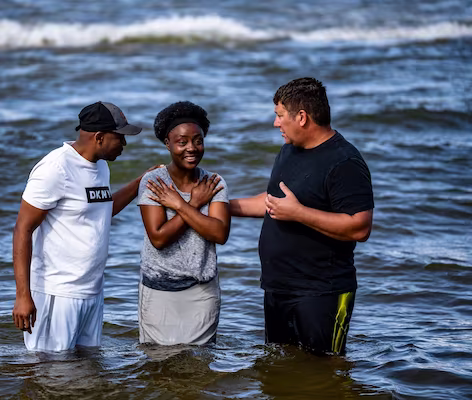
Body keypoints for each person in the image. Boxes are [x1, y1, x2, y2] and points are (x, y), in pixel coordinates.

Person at [230, 78, 374, 355]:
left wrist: (298, 213)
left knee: (326, 374)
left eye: (279, 116)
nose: (276, 124)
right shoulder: (289, 151)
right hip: (277, 287)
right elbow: (272, 202)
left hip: (322, 292)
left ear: (302, 117)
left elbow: (359, 227)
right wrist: (220, 206)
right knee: (280, 370)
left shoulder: (345, 162)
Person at [12, 101, 152, 351]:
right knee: (48, 372)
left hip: (92, 291)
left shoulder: (100, 166)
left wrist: (142, 181)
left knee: (86, 371)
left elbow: (103, 210)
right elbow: (23, 229)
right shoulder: (55, 168)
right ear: (99, 137)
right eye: (120, 137)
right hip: (58, 292)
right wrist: (23, 295)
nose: (124, 145)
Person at [137, 101, 231, 345]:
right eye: (182, 142)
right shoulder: (154, 181)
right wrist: (196, 206)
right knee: (160, 368)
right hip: (159, 292)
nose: (192, 148)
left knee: (198, 370)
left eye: (198, 140)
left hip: (203, 292)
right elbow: (158, 238)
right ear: (167, 144)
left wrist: (182, 204)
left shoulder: (213, 182)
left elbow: (219, 233)